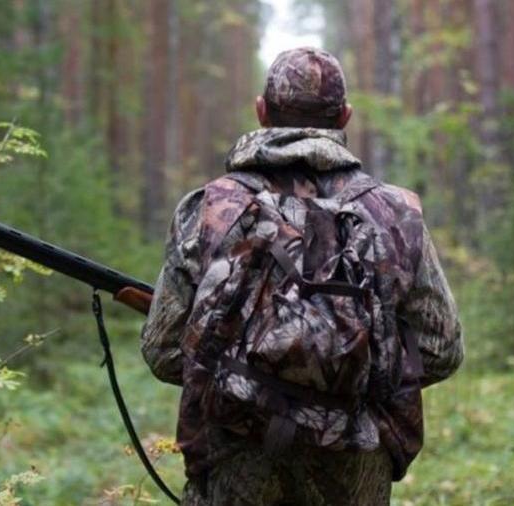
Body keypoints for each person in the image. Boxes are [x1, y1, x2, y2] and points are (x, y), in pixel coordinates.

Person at [140, 47, 464, 505]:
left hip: (237, 457)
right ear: (345, 116)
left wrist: (248, 381)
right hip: (357, 460)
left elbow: (163, 350)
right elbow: (442, 349)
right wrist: (347, 383)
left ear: (262, 111)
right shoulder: (393, 212)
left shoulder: (211, 208)